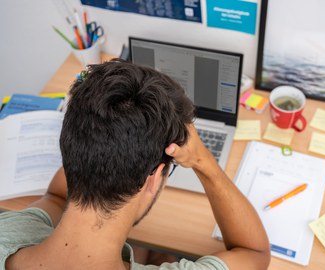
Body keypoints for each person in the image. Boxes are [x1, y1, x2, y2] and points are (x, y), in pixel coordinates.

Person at [0, 60, 270, 270]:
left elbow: (56, 196)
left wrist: (97, 127)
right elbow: (254, 252)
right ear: (154, 179)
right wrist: (202, 160)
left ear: (70, 149)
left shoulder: (11, 230)